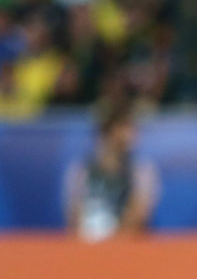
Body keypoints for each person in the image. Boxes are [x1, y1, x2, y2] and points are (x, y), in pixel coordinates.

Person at [62, 97, 160, 241]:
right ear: (110, 130)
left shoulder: (140, 171)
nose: (132, 134)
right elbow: (73, 217)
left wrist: (114, 244)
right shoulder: (81, 171)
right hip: (87, 247)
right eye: (126, 127)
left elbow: (138, 217)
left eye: (133, 128)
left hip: (124, 249)